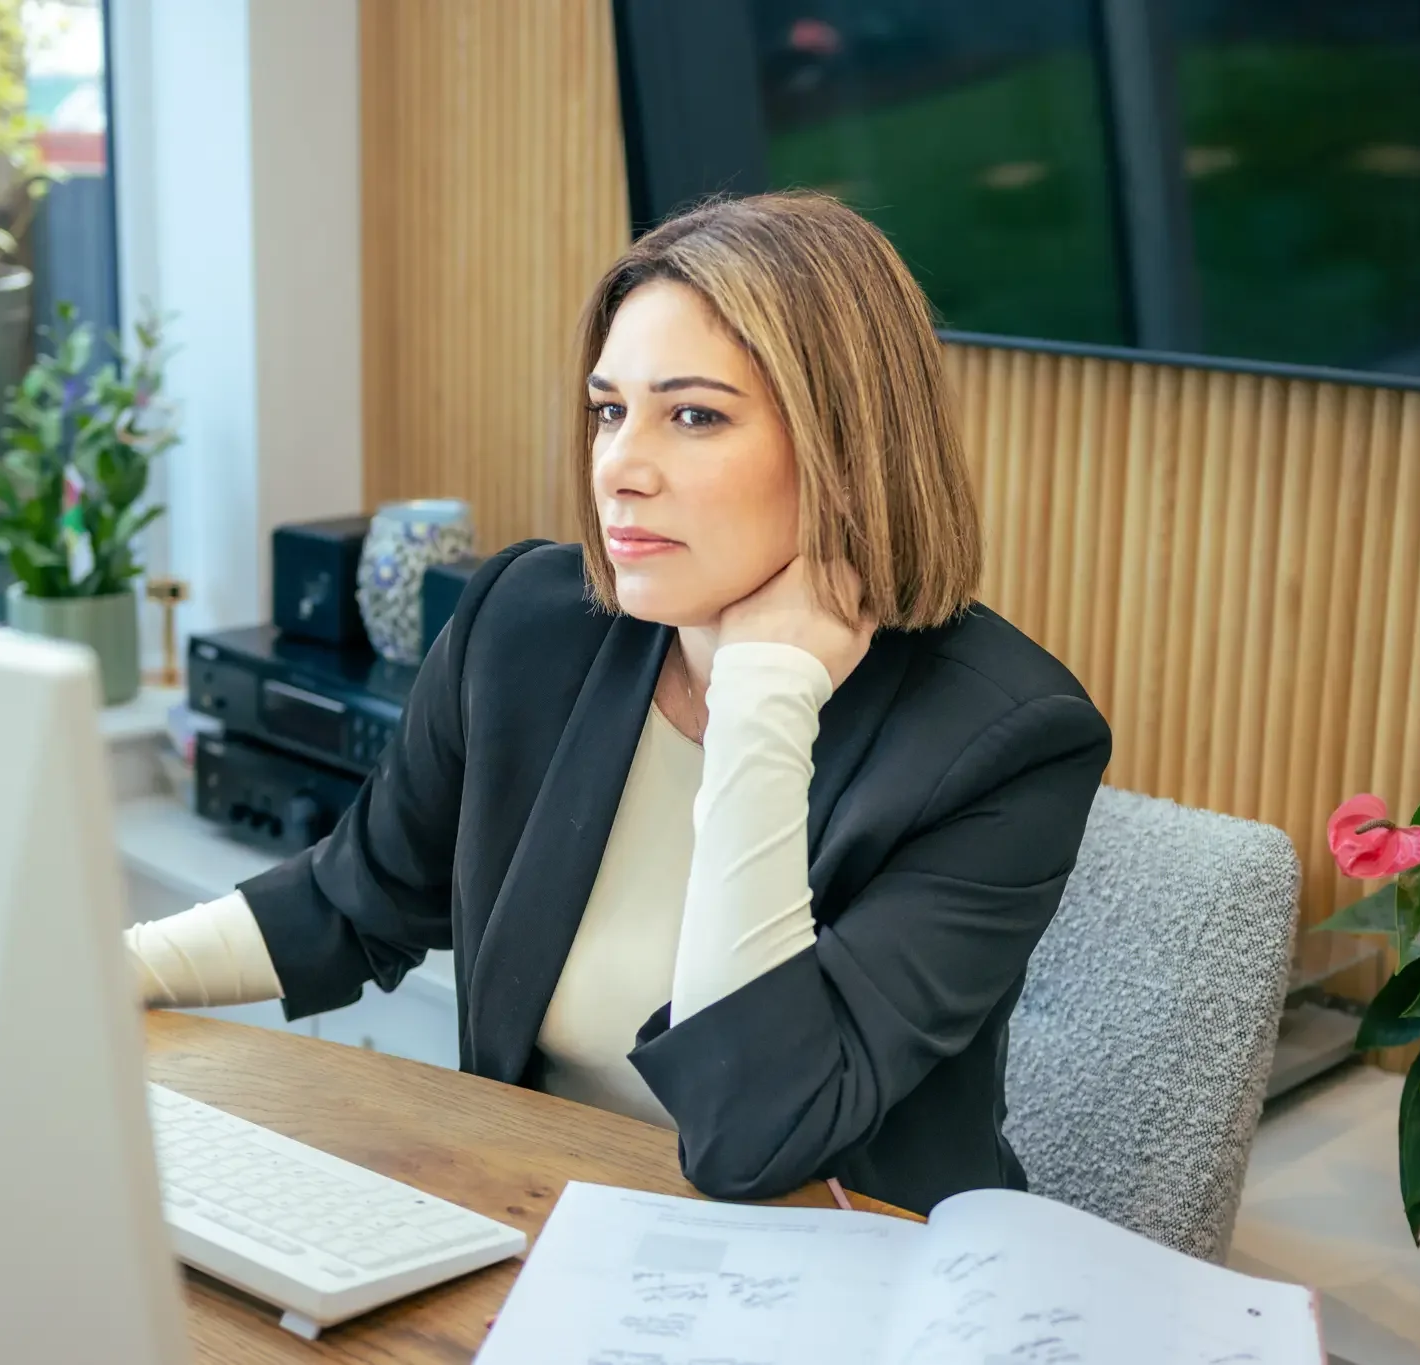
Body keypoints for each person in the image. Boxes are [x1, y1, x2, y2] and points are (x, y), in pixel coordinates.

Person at [128, 192, 1112, 1215]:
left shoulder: (1005, 742)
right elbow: (350, 902)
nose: (619, 470)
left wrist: (763, 701)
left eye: (693, 416)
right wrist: (99, 973)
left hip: (843, 1274)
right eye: (610, 410)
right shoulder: (523, 626)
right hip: (543, 1232)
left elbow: (754, 1132)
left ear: (844, 448)